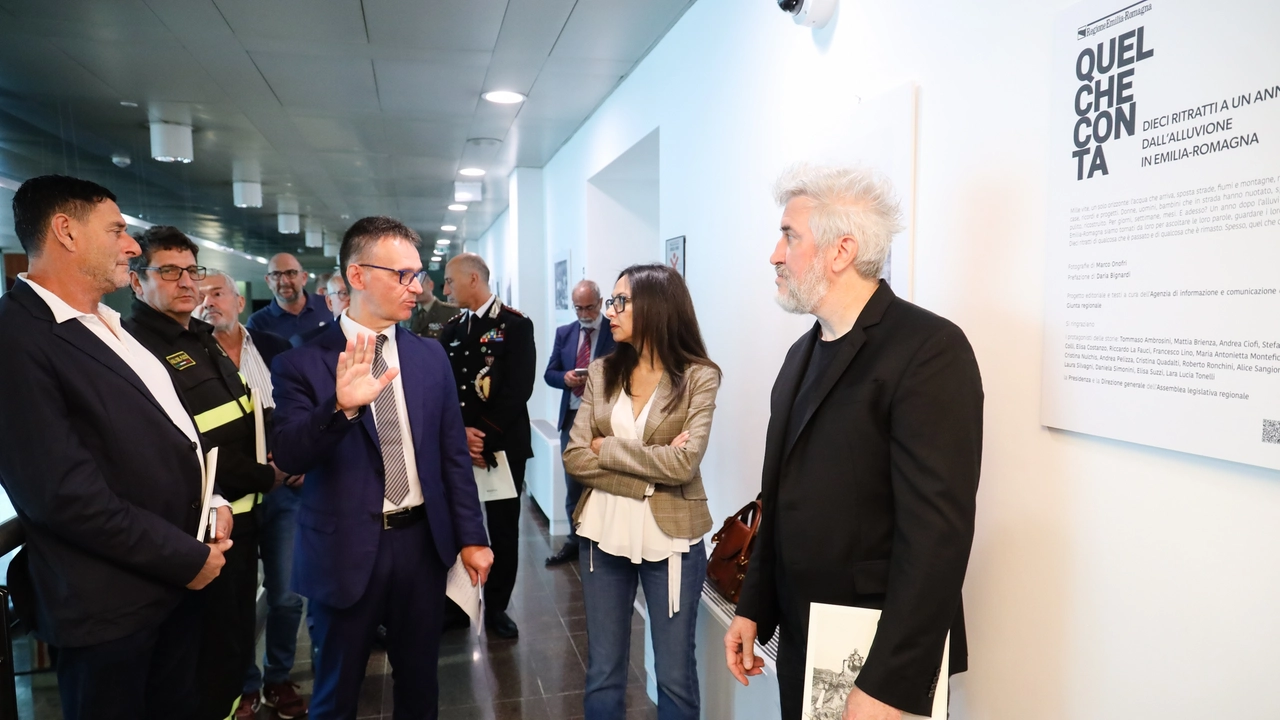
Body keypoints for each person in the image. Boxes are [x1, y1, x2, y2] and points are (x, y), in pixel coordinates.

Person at [725, 164, 984, 720]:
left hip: (875, 656)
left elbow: (937, 536)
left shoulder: (929, 350)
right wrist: (753, 608)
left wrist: (889, 683)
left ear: (840, 251)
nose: (775, 254)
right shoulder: (800, 355)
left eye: (789, 236)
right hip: (801, 638)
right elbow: (781, 498)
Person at [0, 175, 233, 720]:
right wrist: (186, 557)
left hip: (167, 587)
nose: (132, 246)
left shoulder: (108, 324)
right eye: (118, 231)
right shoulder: (18, 338)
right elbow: (62, 495)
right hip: (110, 609)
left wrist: (211, 499)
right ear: (66, 231)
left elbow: (164, 434)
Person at [270, 216, 493, 719]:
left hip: (421, 545)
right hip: (343, 549)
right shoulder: (301, 363)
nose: (416, 288)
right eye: (402, 275)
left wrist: (472, 537)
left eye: (418, 274)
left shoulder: (429, 356)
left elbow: (452, 457)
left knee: (421, 686)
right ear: (358, 275)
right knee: (336, 693)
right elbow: (289, 455)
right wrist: (341, 408)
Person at [123, 227, 284, 720]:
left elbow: (239, 416)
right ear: (136, 283)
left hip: (241, 521)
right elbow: (187, 445)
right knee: (204, 661)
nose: (186, 282)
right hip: (201, 531)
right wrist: (265, 476)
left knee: (232, 648)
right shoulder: (139, 349)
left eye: (191, 270)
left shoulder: (198, 337)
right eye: (168, 271)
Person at [563, 263, 720, 720]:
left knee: (674, 677)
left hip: (672, 540)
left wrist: (607, 447)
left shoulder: (698, 377)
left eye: (620, 301)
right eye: (610, 301)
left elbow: (685, 462)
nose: (609, 311)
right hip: (602, 533)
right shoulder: (601, 372)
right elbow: (575, 457)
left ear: (655, 307)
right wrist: (652, 475)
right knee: (604, 673)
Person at [194, 271, 309, 720]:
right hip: (227, 501)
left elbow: (302, 410)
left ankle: (278, 677)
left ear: (238, 301)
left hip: (283, 493)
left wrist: (300, 460)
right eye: (201, 295)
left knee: (286, 594)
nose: (208, 302)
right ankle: (244, 685)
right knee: (235, 602)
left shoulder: (275, 349)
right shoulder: (189, 359)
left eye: (217, 293)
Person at [439, 253, 536, 639]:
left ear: (473, 279)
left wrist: (484, 436)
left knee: (503, 531)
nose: (445, 289)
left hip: (501, 447)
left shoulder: (514, 325)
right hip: (460, 446)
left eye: (449, 281)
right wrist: (461, 434)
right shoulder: (450, 330)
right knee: (457, 527)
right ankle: (458, 605)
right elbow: (444, 390)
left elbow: (518, 390)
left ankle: (496, 607)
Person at [543, 279, 615, 566]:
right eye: (578, 308)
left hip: (604, 418)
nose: (584, 313)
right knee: (573, 480)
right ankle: (576, 541)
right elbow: (550, 373)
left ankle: (603, 541)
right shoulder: (565, 333)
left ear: (599, 303)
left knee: (603, 479)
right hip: (572, 417)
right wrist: (566, 378)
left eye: (589, 307)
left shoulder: (615, 330)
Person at [246, 252, 330, 339]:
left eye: (291, 273)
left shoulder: (329, 305)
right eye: (276, 274)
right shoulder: (257, 324)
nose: (284, 281)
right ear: (268, 281)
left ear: (304, 278)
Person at [292, 273, 350, 347]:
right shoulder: (306, 342)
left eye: (359, 294)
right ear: (330, 302)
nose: (354, 299)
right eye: (344, 293)